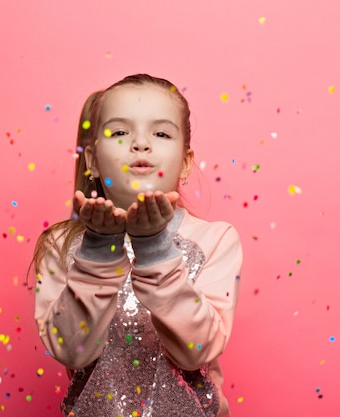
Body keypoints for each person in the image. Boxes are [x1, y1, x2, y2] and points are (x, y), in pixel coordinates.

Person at [32, 74, 243, 417]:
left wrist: (155, 248)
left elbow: (196, 350)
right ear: (92, 161)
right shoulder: (61, 244)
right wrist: (99, 252)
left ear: (186, 162)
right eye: (119, 133)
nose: (140, 144)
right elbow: (70, 351)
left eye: (160, 133)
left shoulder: (216, 239)